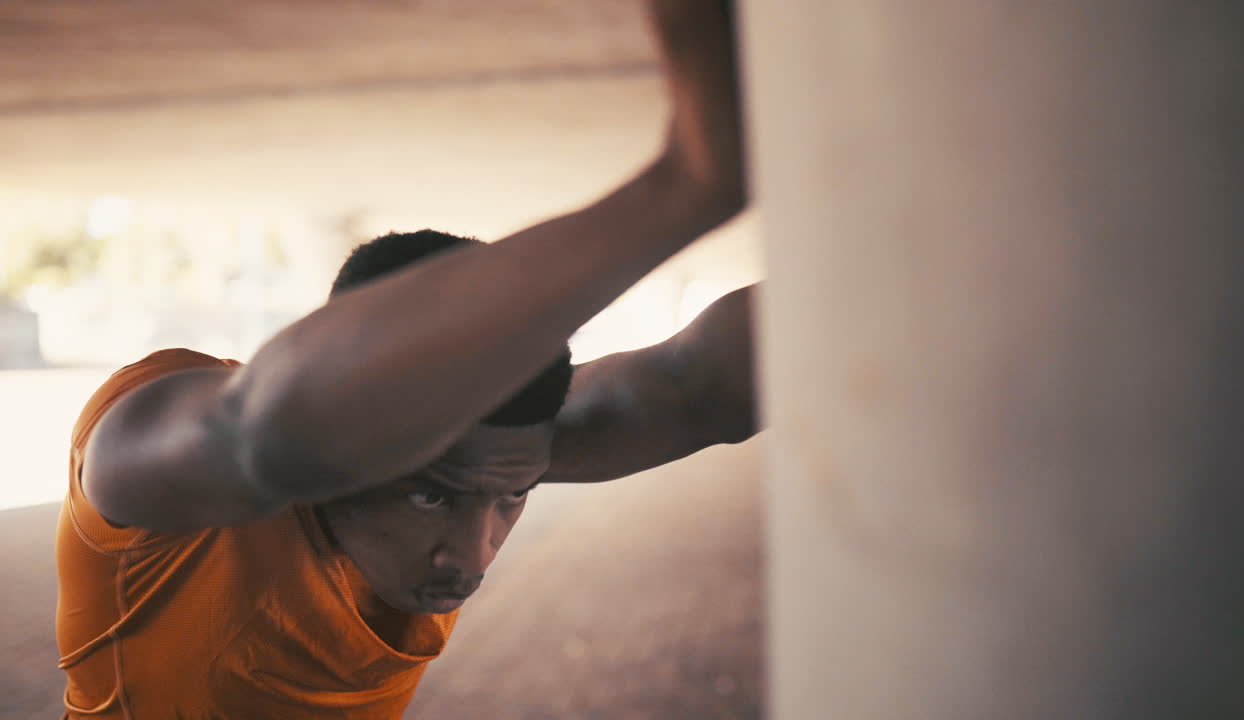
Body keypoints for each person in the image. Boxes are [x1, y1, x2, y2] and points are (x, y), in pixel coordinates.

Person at [53, 1, 758, 718]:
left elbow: (696, 389)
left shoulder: (485, 455)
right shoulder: (154, 463)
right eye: (430, 496)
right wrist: (690, 184)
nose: (473, 558)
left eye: (514, 498)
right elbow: (274, 435)